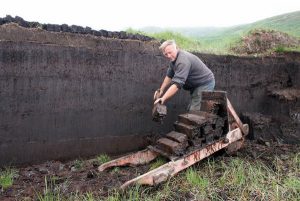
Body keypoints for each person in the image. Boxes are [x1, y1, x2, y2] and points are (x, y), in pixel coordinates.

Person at [154, 40, 215, 111]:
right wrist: (161, 90)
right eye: (166, 54)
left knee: (194, 113)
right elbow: (169, 75)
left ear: (176, 48)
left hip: (204, 83)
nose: (168, 56)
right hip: (195, 86)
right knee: (191, 109)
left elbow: (177, 84)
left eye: (170, 52)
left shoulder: (182, 61)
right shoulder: (174, 60)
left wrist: (163, 98)